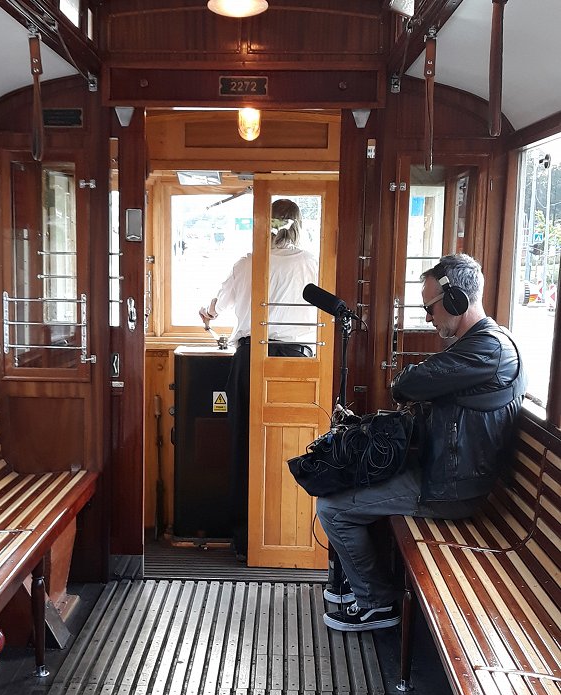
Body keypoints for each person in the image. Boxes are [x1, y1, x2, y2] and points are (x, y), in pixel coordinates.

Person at [317, 253, 526, 632]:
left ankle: (377, 603)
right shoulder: (480, 344)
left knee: (333, 508)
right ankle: (362, 584)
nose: (429, 319)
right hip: (446, 473)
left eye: (430, 309)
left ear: (456, 301)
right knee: (347, 478)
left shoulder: (487, 350)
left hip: (450, 488)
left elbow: (407, 384)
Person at [200, 199, 318, 559]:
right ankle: (291, 537)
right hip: (297, 363)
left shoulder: (248, 262)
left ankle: (245, 541)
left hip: (253, 357)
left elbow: (215, 306)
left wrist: (207, 314)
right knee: (295, 447)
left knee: (245, 446)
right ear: (297, 224)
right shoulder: (311, 262)